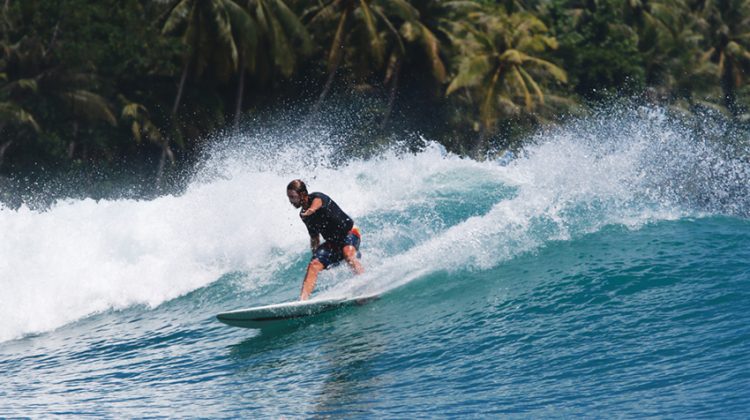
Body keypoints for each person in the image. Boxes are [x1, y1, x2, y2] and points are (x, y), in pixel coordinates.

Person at [286, 179, 364, 300]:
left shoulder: (318, 197)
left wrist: (311, 210)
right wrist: (316, 255)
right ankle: (303, 300)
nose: (291, 201)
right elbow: (314, 237)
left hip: (349, 233)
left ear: (302, 194)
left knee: (348, 254)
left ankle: (366, 286)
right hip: (332, 242)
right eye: (289, 197)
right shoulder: (303, 215)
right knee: (313, 265)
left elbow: (317, 203)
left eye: (293, 197)